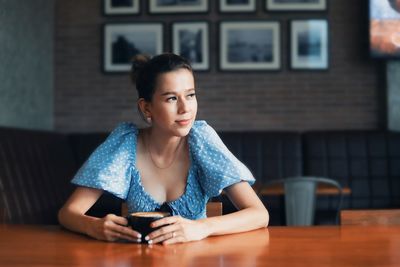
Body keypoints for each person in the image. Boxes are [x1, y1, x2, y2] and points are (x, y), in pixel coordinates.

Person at [58, 53, 269, 245]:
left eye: (190, 95)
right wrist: (93, 225)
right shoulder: (125, 144)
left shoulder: (202, 140)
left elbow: (260, 214)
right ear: (146, 107)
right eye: (171, 98)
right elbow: (68, 213)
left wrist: (203, 227)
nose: (185, 108)